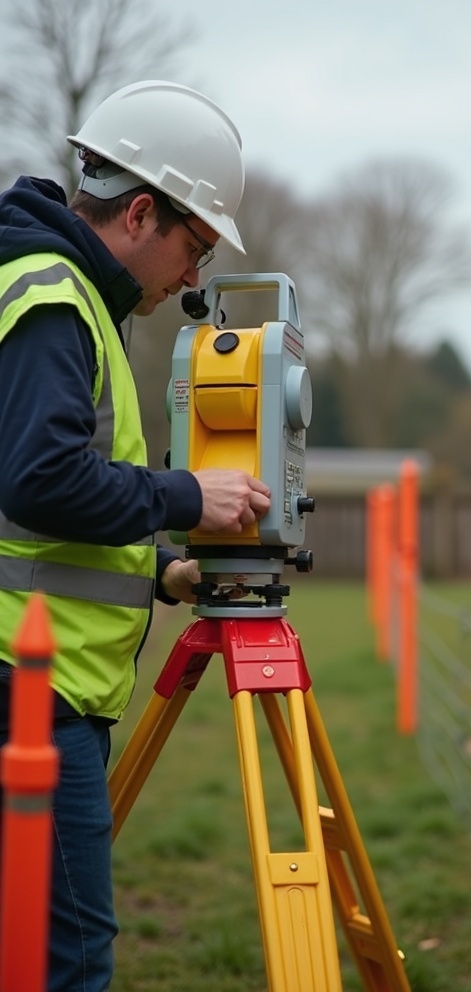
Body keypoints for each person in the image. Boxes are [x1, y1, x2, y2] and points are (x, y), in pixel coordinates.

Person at [0, 80, 270, 991]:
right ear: (142, 212)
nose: (192, 277)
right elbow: (40, 481)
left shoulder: (51, 287)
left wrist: (160, 571)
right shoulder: (54, 297)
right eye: (192, 248)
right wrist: (185, 494)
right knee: (70, 963)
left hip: (35, 677)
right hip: (32, 689)